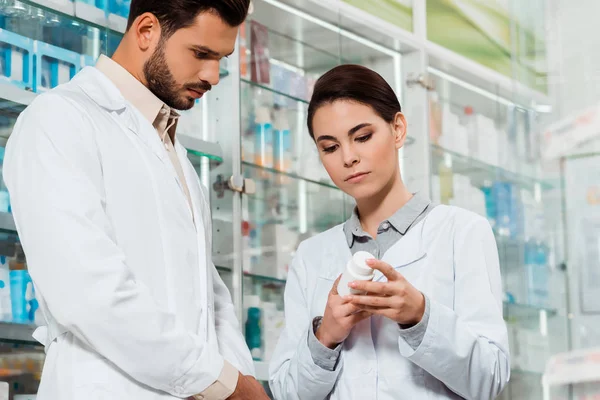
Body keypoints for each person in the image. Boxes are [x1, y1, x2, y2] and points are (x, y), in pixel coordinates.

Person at [3, 1, 269, 399]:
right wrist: (224, 385)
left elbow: (210, 295)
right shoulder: (59, 119)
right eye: (201, 54)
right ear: (146, 31)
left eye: (221, 59)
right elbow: (90, 294)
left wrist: (239, 379)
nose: (213, 75)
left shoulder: (171, 148)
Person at [269, 65, 510, 399]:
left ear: (398, 130)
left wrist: (420, 316)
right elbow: (287, 393)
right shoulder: (312, 256)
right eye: (330, 147)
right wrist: (326, 336)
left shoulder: (461, 232)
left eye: (362, 137)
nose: (349, 158)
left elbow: (490, 378)